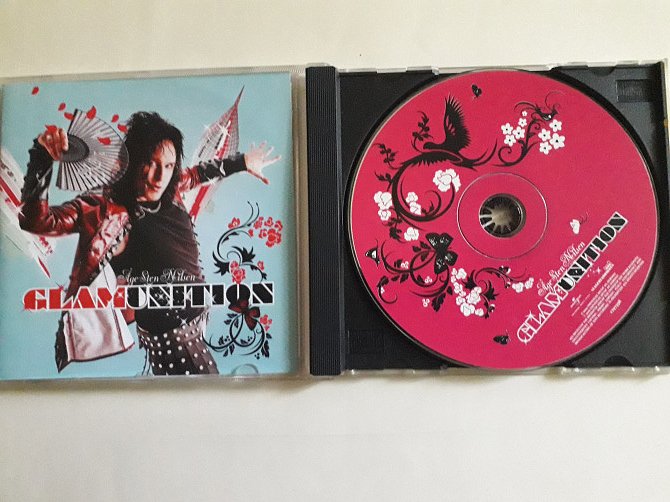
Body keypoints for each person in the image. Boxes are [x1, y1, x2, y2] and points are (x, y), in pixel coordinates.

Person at [19, 111, 279, 374]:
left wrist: (242, 162)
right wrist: (42, 158)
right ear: (132, 160)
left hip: (196, 324)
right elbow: (39, 222)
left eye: (168, 166)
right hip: (171, 338)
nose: (159, 177)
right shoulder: (102, 208)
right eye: (151, 163)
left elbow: (199, 173)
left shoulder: (171, 188)